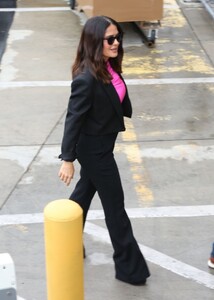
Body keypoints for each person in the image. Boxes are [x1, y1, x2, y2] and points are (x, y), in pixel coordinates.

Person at [58, 15, 150, 285]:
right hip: (95, 151)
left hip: (102, 144)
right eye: (110, 39)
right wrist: (68, 159)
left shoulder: (107, 66)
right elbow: (73, 119)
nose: (117, 42)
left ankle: (66, 242)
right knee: (115, 209)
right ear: (95, 42)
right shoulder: (86, 78)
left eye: (118, 37)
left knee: (83, 196)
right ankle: (129, 268)